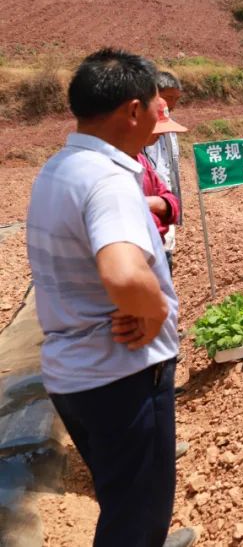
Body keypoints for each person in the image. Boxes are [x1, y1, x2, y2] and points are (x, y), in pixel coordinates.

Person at [25, 48, 198, 547]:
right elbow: (122, 273)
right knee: (136, 517)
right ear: (133, 110)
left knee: (123, 497)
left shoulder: (59, 168)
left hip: (75, 373)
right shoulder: (109, 180)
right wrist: (157, 310)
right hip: (122, 375)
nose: (161, 114)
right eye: (156, 104)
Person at [143, 70, 184, 269]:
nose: (173, 104)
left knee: (165, 255)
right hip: (146, 213)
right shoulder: (139, 132)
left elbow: (169, 169)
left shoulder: (168, 127)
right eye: (168, 97)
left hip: (163, 206)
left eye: (176, 99)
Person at [138, 104, 186, 266]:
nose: (160, 134)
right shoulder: (121, 164)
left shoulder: (142, 160)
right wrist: (161, 204)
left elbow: (170, 201)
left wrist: (163, 204)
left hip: (157, 241)